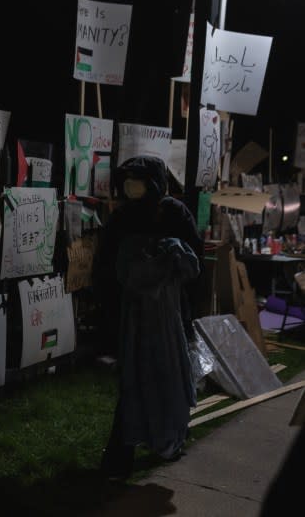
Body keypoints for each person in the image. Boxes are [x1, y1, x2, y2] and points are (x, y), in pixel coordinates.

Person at [92, 155, 204, 478]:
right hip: (133, 316)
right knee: (134, 381)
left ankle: (169, 440)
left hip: (168, 314)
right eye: (127, 181)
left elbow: (194, 261)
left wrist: (188, 308)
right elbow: (107, 263)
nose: (130, 187)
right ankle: (122, 452)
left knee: (168, 375)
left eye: (136, 181)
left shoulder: (173, 213)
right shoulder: (124, 217)